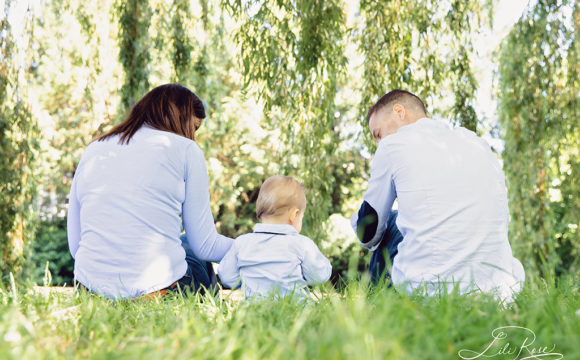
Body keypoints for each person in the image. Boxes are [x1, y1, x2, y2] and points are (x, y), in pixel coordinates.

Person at [351, 89, 525, 300]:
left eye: (378, 133)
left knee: (391, 219)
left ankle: (375, 310)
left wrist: (356, 221)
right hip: (501, 292)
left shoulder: (392, 146)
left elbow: (368, 234)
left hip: (430, 291)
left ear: (399, 111)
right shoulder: (477, 143)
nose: (379, 142)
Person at [67, 84, 233, 299]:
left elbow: (76, 246)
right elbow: (206, 245)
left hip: (90, 291)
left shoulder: (94, 148)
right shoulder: (186, 150)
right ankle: (212, 322)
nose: (192, 136)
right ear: (180, 120)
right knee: (195, 252)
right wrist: (256, 247)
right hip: (158, 290)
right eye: (193, 127)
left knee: (183, 241)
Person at [218, 175, 331, 300]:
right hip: (295, 311)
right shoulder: (301, 244)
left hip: (253, 311)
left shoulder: (242, 243)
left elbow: (227, 276)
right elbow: (319, 276)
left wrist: (245, 280)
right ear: (295, 214)